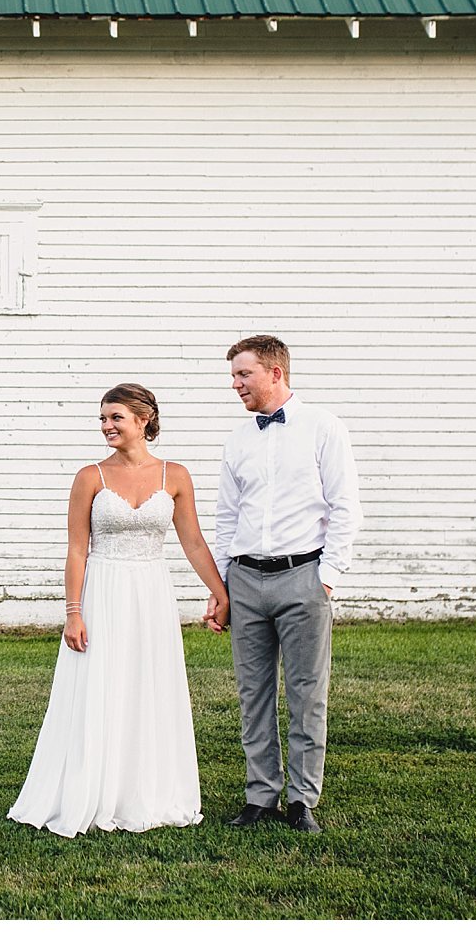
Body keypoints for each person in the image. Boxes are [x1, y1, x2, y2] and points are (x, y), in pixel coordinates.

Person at [9, 383, 230, 837]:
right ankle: (93, 790)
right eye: (103, 420)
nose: (107, 427)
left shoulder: (177, 475)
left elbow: (192, 542)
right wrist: (74, 611)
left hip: (151, 591)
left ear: (144, 418)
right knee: (100, 685)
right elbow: (76, 550)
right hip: (103, 589)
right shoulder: (91, 476)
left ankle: (147, 790)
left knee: (149, 683)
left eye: (116, 418)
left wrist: (220, 592)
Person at [208, 335, 361, 835]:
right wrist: (227, 584)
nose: (235, 385)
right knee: (253, 694)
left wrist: (328, 578)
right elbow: (227, 517)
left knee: (306, 693)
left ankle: (301, 800)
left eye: (243, 375)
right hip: (247, 579)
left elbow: (344, 507)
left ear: (275, 373)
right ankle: (260, 795)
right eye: (233, 376)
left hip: (304, 577)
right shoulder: (237, 440)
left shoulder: (323, 427)